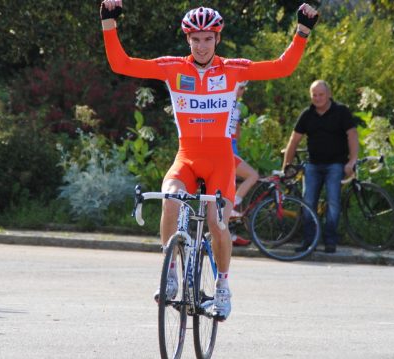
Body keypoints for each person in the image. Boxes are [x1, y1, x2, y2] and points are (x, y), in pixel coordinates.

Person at [101, 0, 318, 320]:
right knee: (171, 200)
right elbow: (122, 63)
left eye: (207, 39)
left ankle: (222, 287)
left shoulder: (233, 69)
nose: (201, 46)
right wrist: (109, 22)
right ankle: (170, 271)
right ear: (187, 40)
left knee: (218, 224)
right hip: (186, 157)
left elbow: (281, 67)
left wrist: (301, 32)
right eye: (195, 39)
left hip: (220, 161)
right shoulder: (172, 67)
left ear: (217, 39)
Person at [282, 80, 358, 253]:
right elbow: (294, 141)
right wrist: (286, 165)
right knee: (308, 202)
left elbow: (352, 135)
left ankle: (330, 241)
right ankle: (309, 241)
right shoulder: (307, 114)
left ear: (329, 94)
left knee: (333, 202)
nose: (317, 98)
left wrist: (352, 160)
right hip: (313, 165)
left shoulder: (341, 112)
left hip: (336, 164)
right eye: (314, 95)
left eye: (321, 94)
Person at [230, 81, 257, 247]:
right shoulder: (227, 103)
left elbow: (237, 132)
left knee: (227, 191)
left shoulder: (237, 106)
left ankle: (230, 236)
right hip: (227, 149)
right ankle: (235, 203)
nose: (243, 91)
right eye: (240, 87)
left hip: (232, 148)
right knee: (253, 175)